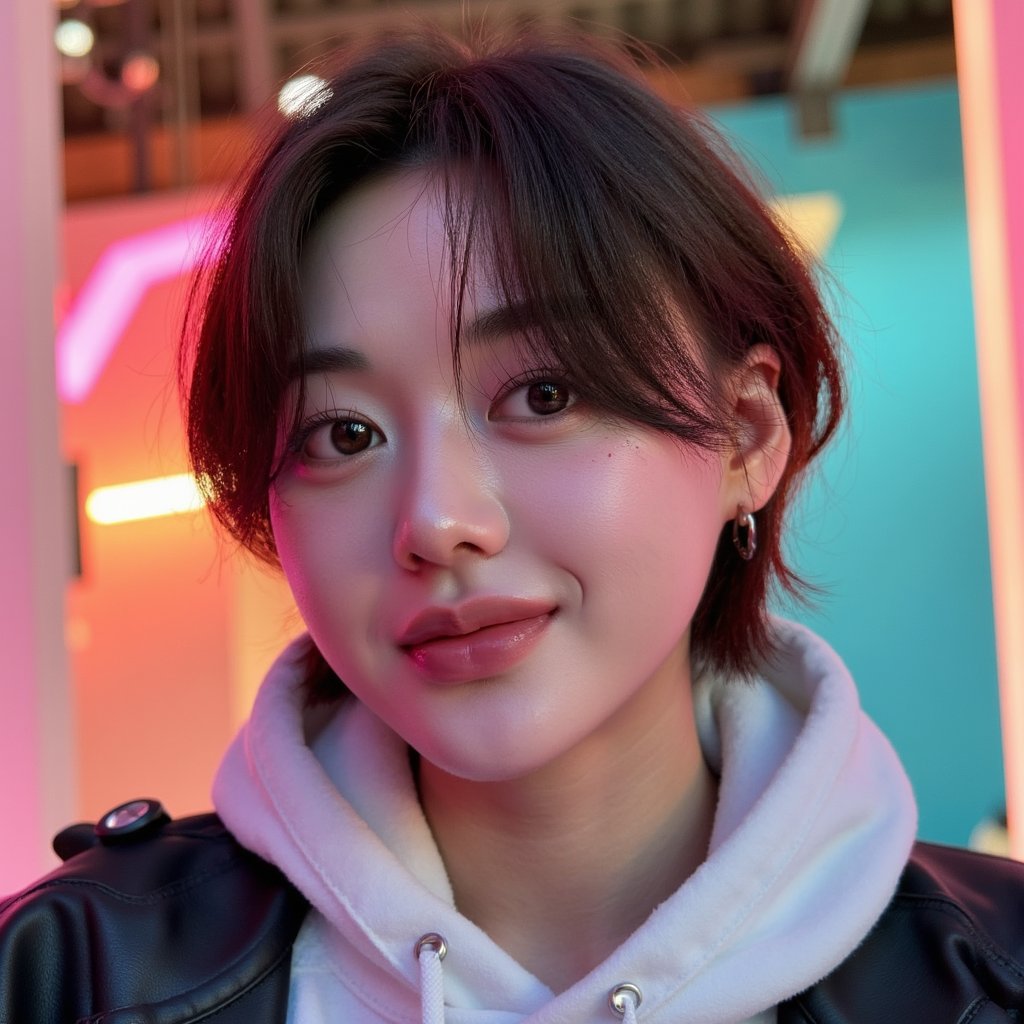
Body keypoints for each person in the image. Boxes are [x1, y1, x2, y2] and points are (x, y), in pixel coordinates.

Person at [3, 27, 1024, 1024]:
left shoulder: (993, 974)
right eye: (342, 432)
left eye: (544, 393)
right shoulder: (64, 979)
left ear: (746, 436)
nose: (440, 521)